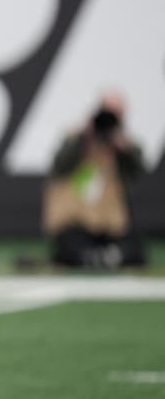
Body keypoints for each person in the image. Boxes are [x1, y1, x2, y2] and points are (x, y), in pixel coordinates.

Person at [42, 92, 146, 268]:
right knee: (69, 246)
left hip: (109, 226)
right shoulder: (76, 138)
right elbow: (59, 165)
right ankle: (101, 257)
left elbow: (136, 170)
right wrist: (85, 137)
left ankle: (103, 257)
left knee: (136, 247)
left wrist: (122, 147)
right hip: (76, 222)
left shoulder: (124, 145)